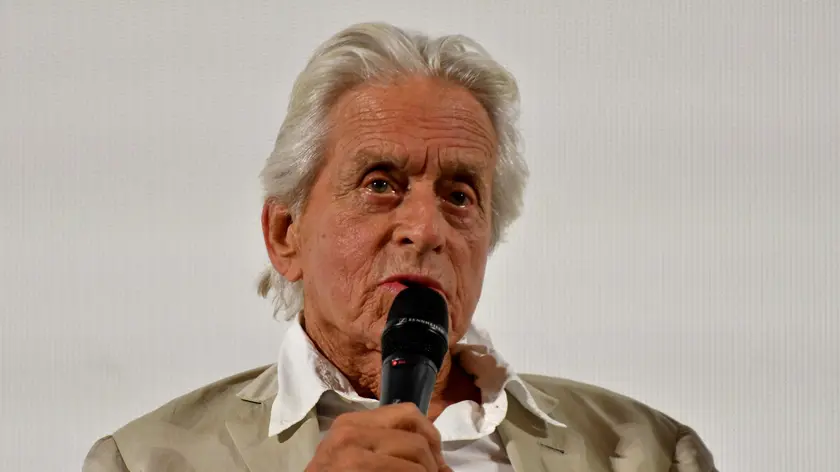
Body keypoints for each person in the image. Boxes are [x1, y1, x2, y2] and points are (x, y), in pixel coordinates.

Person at [83, 22, 717, 472]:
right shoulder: (146, 461)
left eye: (460, 195)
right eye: (380, 184)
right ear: (285, 234)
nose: (427, 228)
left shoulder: (652, 454)